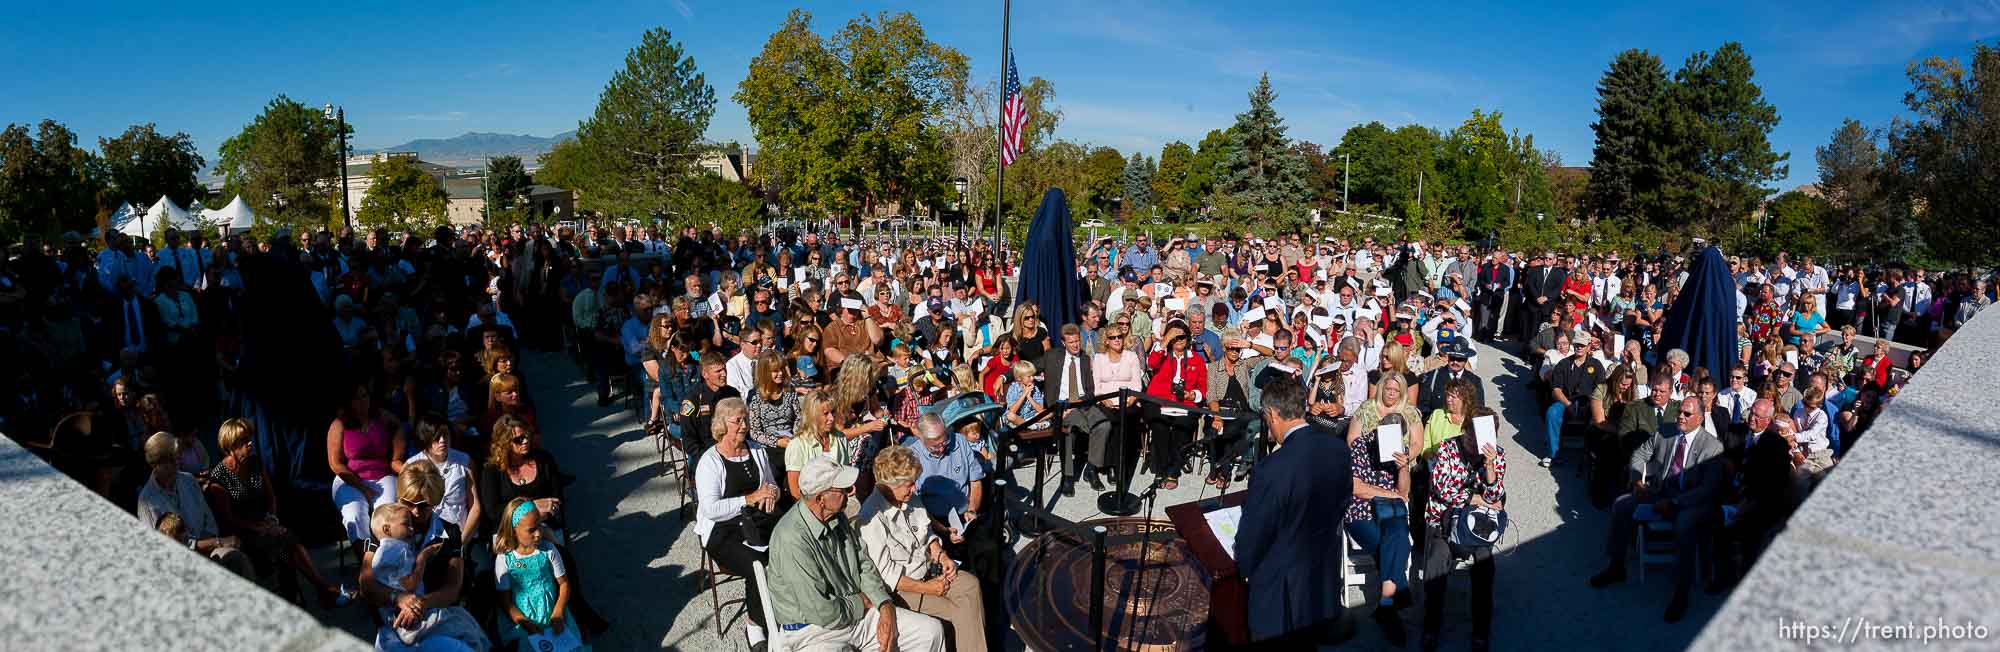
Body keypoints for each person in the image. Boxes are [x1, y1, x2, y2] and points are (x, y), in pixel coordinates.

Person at [767, 456, 947, 652]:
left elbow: (864, 564)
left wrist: (885, 606)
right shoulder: (791, 539)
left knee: (930, 632)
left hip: (858, 615)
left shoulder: (836, 517)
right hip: (813, 630)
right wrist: (861, 601)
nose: (851, 492)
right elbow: (820, 611)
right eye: (843, 489)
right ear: (820, 498)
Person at [1234, 377, 1351, 649]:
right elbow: (1343, 501)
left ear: (1273, 414)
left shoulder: (1271, 469)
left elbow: (1256, 533)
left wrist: (1244, 566)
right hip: (1321, 578)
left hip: (1280, 592)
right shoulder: (1337, 450)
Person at [1589, 397, 1727, 623]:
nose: (1680, 416)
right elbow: (1640, 454)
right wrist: (1636, 481)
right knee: (1622, 505)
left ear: (1700, 419)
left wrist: (1674, 504)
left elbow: (1707, 490)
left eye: (1687, 414)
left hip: (1691, 501)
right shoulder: (1665, 431)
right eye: (1680, 412)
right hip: (1663, 490)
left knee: (1684, 525)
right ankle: (1616, 566)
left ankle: (1681, 592)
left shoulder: (1712, 446)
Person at [206, 419, 352, 606]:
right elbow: (228, 518)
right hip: (242, 530)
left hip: (264, 523)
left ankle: (307, 594)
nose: (250, 443)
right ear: (230, 445)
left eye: (250, 438)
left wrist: (272, 518)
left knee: (285, 540)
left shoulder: (255, 462)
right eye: (243, 440)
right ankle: (320, 591)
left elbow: (271, 495)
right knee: (285, 542)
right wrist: (259, 527)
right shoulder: (219, 478)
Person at [857, 445, 988, 652]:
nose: (914, 489)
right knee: (961, 611)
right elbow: (888, 576)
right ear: (888, 485)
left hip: (930, 571)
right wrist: (929, 589)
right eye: (909, 485)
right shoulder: (871, 518)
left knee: (970, 585)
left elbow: (927, 534)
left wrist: (942, 555)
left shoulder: (910, 498)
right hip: (905, 590)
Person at [356, 462, 489, 652]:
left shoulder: (450, 531)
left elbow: (453, 588)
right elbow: (366, 583)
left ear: (435, 501)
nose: (416, 512)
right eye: (408, 503)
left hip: (435, 616)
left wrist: (419, 604)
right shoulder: (385, 524)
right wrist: (398, 598)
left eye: (424, 505)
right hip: (394, 625)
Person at [693, 397, 782, 648]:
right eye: (737, 421)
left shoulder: (756, 450)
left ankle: (789, 611)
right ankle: (755, 626)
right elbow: (710, 510)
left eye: (746, 420)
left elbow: (770, 483)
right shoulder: (710, 461)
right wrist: (749, 498)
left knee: (789, 550)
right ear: (722, 424)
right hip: (722, 530)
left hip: (755, 522)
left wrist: (772, 493)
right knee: (758, 565)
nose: (744, 426)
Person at [1418, 405, 1506, 652]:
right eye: (1469, 435)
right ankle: (1431, 626)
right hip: (1443, 520)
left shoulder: (1496, 454)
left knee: (1485, 568)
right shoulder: (1447, 448)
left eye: (1478, 438)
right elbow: (1440, 488)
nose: (1473, 443)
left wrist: (1489, 467)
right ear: (1464, 430)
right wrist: (1473, 498)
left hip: (1476, 525)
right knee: (1435, 566)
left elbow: (1497, 496)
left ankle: (1481, 630)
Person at [136, 432, 254, 579]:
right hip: (179, 565)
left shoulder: (188, 480)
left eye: (177, 457)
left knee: (237, 558)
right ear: (155, 464)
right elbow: (162, 548)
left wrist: (212, 543)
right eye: (171, 459)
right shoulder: (147, 500)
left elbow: (209, 521)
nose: (177, 462)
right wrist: (211, 543)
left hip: (208, 551)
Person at [1345, 405, 1413, 646]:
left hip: (1390, 511)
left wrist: (1403, 468)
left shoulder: (1400, 451)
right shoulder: (1361, 446)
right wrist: (1389, 493)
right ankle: (1398, 590)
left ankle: (1385, 604)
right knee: (1394, 545)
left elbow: (1403, 492)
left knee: (1397, 534)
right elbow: (1356, 488)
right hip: (1361, 511)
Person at [493, 497, 586, 652]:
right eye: (531, 530)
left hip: (553, 613)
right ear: (513, 530)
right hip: (523, 619)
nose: (538, 534)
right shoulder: (504, 560)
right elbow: (506, 602)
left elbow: (563, 583)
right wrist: (527, 625)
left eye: (539, 526)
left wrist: (558, 612)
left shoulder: (549, 550)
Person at [328, 381, 405, 542]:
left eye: (364, 396)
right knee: (354, 515)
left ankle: (386, 557)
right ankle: (366, 561)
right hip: (350, 479)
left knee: (388, 515)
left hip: (382, 475)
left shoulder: (381, 416)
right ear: (349, 402)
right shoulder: (339, 424)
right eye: (356, 398)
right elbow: (335, 464)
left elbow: (399, 427)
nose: (362, 401)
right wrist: (362, 488)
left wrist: (396, 457)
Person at [1142, 329, 1207, 490]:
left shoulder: (1196, 360)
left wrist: (1193, 395)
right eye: (1175, 337)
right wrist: (1166, 340)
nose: (1178, 340)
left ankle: (1173, 470)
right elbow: (1151, 364)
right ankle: (1161, 468)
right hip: (1160, 401)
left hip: (1184, 403)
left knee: (1182, 427)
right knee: (1159, 426)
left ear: (1188, 338)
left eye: (1182, 337)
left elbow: (1202, 388)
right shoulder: (1162, 353)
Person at [786, 391, 849, 500]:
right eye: (825, 414)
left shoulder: (840, 438)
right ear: (812, 416)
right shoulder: (797, 445)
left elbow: (847, 471)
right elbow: (795, 491)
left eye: (832, 412)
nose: (832, 418)